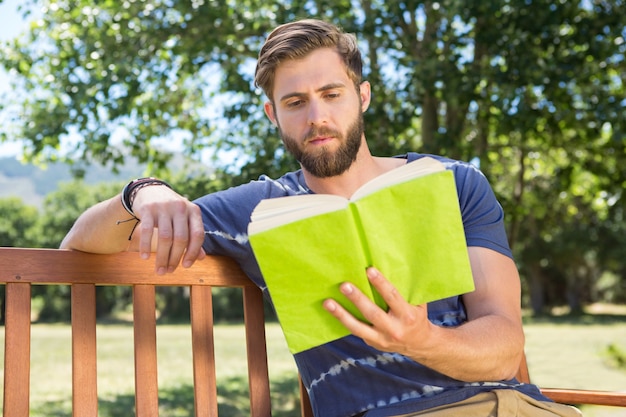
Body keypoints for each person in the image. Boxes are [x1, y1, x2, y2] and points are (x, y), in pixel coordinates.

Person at [61, 19, 582, 417]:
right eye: (295, 102)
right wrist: (143, 194)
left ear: (363, 95)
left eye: (332, 95)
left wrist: (422, 340)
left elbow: (504, 342)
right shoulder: (260, 210)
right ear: (273, 115)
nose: (317, 117)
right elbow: (77, 246)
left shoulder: (454, 183)